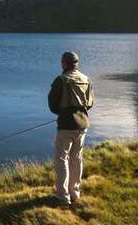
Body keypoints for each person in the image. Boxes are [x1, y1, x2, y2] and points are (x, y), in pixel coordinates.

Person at [47, 51, 94, 206]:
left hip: (66, 125)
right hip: (83, 125)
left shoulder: (61, 80)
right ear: (76, 63)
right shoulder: (86, 79)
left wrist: (63, 112)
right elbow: (90, 103)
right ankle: (75, 193)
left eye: (62, 62)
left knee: (62, 159)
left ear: (64, 63)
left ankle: (63, 196)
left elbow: (52, 105)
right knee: (77, 158)